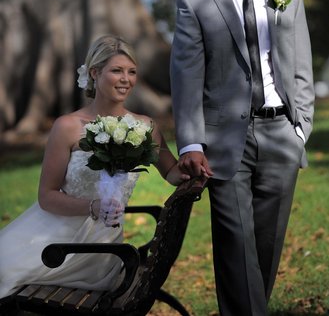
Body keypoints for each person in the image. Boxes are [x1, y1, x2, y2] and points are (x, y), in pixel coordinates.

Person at [170, 0, 314, 316]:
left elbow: (301, 66)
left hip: (281, 136)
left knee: (266, 249)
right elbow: (186, 80)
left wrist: (300, 128)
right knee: (235, 247)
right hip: (222, 141)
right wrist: (191, 142)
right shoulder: (194, 4)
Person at [0, 34, 188, 300]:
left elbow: (172, 173)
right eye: (117, 71)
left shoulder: (145, 128)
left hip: (104, 249)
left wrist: (194, 158)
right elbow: (47, 196)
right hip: (52, 241)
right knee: (6, 274)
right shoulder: (66, 127)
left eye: (132, 72)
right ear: (94, 73)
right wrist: (93, 207)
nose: (126, 79)